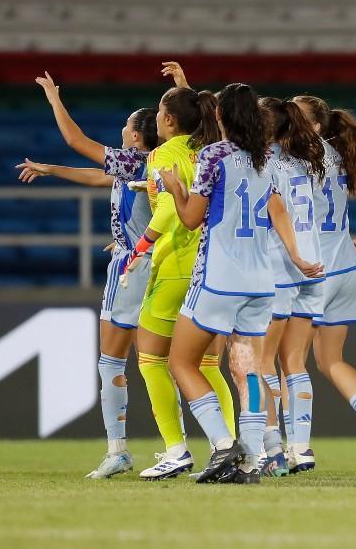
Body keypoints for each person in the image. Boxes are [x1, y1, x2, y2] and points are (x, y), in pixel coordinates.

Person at [157, 82, 322, 483]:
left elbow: (192, 218)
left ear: (219, 115)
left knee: (180, 362)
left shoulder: (215, 155)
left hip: (218, 279)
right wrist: (298, 256)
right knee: (247, 367)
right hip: (261, 283)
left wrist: (176, 189)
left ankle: (221, 444)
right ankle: (251, 460)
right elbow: (278, 208)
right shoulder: (267, 159)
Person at [18, 73, 160, 478]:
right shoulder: (153, 164)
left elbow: (77, 143)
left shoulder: (135, 159)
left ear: (136, 136)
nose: (123, 128)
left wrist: (53, 99)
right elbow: (100, 178)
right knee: (162, 361)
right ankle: (180, 447)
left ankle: (118, 449)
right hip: (158, 263)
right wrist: (51, 170)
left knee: (111, 360)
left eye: (128, 124)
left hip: (133, 269)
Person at [124, 63, 234, 481]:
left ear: (168, 120)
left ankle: (176, 449)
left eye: (158, 112)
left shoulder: (162, 155)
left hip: (174, 266)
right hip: (211, 268)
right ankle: (228, 447)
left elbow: (171, 209)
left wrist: (142, 250)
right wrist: (186, 89)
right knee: (206, 364)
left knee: (152, 359)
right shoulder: (210, 148)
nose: (155, 119)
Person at [289, 95, 356, 473]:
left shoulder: (297, 156)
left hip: (313, 270)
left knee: (290, 361)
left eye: (296, 116)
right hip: (345, 268)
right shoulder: (340, 153)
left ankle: (296, 447)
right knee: (330, 360)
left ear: (316, 126)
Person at [254, 96, 327, 477]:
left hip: (282, 265)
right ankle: (302, 447)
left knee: (263, 360)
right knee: (295, 362)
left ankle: (272, 446)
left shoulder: (262, 163)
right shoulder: (309, 159)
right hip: (315, 267)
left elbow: (275, 213)